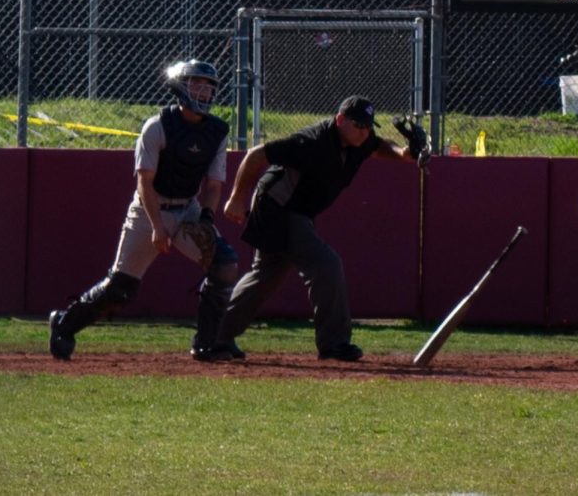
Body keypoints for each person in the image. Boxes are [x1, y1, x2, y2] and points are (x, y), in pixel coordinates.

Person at [208, 96, 428, 363]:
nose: (364, 131)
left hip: (295, 211)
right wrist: (237, 197)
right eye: (358, 125)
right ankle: (334, 343)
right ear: (340, 120)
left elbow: (380, 146)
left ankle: (214, 335)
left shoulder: (360, 140)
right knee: (326, 265)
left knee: (265, 276)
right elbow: (257, 155)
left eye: (369, 126)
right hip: (278, 207)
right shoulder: (312, 141)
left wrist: (406, 153)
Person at [49, 60, 241, 361]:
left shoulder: (217, 131)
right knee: (121, 288)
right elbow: (144, 182)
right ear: (180, 87)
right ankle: (64, 323)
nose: (204, 92)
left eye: (209, 87)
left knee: (225, 264)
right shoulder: (157, 127)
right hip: (150, 208)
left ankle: (208, 342)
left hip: (188, 208)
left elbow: (214, 185)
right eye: (196, 84)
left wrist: (205, 219)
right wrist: (156, 227)